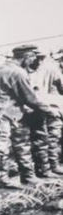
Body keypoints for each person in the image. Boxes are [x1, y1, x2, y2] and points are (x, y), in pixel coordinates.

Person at [0, 44, 50, 196]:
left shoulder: (0, 68)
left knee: (4, 147)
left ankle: (1, 178)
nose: (33, 61)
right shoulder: (17, 72)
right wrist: (51, 110)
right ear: (27, 57)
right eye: (33, 58)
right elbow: (30, 99)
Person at [27, 48, 63, 178]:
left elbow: (61, 86)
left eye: (42, 58)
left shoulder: (51, 69)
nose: (39, 61)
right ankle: (43, 168)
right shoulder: (24, 71)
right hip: (34, 110)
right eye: (37, 58)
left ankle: (53, 165)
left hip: (51, 108)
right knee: (39, 139)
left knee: (53, 136)